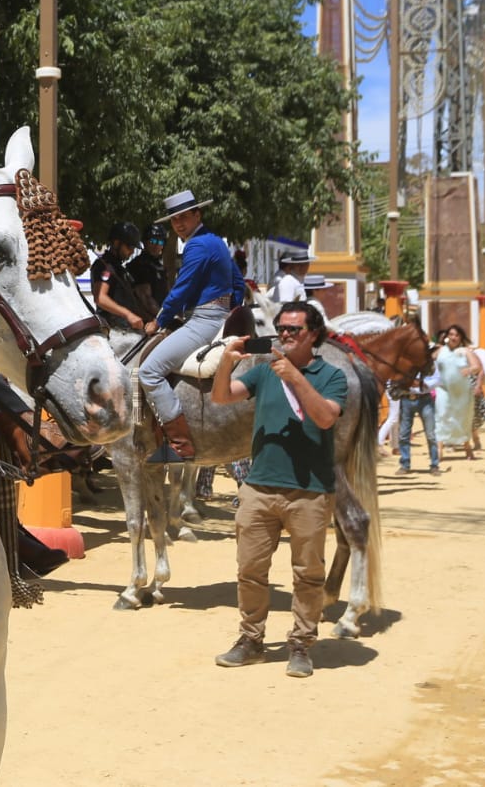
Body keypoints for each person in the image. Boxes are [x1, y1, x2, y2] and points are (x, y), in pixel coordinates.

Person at [209, 300, 347, 678]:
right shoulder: (264, 371)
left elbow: (324, 418)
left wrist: (295, 378)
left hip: (310, 491)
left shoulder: (331, 376)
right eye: (281, 329)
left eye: (294, 330)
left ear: (313, 335)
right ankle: (251, 640)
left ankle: (301, 644)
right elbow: (222, 397)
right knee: (250, 569)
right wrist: (226, 360)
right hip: (259, 489)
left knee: (307, 574)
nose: (284, 335)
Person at [138, 191, 245, 463]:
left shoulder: (197, 245)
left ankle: (179, 445)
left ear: (198, 214)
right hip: (217, 316)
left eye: (184, 216)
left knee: (149, 372)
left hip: (203, 321)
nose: (179, 224)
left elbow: (182, 289)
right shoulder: (217, 242)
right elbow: (238, 283)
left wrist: (158, 321)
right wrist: (228, 310)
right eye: (174, 220)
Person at [92, 222, 153, 333]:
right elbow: (100, 298)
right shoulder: (104, 266)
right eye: (129, 247)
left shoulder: (118, 267)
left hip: (127, 329)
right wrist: (128, 314)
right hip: (114, 330)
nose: (132, 251)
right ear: (116, 243)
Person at [434, 325, 478, 461]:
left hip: (462, 392)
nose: (453, 337)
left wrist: (469, 370)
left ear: (461, 337)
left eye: (456, 335)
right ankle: (439, 450)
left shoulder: (466, 351)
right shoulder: (440, 350)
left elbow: (477, 366)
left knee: (462, 419)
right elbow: (427, 361)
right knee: (441, 416)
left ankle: (467, 447)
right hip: (443, 390)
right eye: (451, 334)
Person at [127, 225, 169, 321]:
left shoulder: (159, 265)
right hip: (145, 320)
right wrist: (165, 317)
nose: (156, 245)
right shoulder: (138, 265)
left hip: (161, 316)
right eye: (153, 241)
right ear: (145, 242)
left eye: (160, 242)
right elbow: (145, 299)